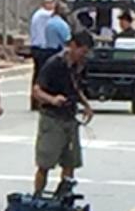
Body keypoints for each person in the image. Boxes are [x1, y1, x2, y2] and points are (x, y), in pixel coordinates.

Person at [31, 27, 93, 198]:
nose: (83, 55)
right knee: (45, 162)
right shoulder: (54, 64)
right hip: (52, 118)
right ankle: (38, 194)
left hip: (70, 117)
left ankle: (65, 194)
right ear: (72, 45)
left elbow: (77, 87)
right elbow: (36, 90)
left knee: (70, 161)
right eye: (82, 51)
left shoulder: (79, 66)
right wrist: (52, 99)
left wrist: (86, 105)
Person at [27, 0, 70, 76]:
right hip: (40, 47)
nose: (52, 5)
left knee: (39, 72)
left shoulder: (45, 17)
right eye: (50, 3)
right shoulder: (42, 14)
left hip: (40, 47)